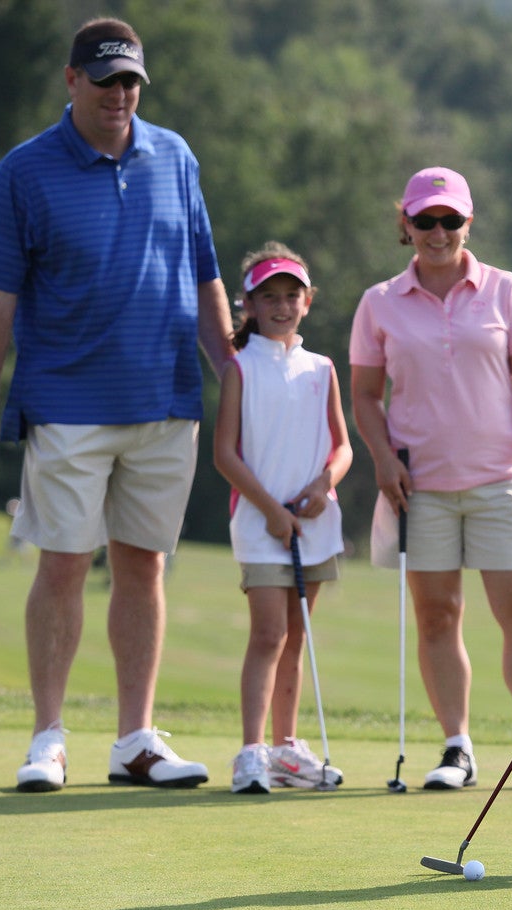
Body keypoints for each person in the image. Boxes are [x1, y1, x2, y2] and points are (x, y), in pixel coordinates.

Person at [0, 17, 235, 793]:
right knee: (65, 564)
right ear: (71, 80)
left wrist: (229, 369)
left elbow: (204, 270)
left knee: (144, 568)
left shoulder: (175, 156)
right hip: (68, 402)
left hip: (165, 398)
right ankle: (48, 738)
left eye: (131, 81)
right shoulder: (25, 171)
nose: (120, 94)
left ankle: (135, 739)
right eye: (105, 80)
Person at [349, 166, 512, 792]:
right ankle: (456, 748)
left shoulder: (507, 291)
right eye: (425, 220)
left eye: (449, 219)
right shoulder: (380, 302)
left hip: (502, 480)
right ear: (405, 224)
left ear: (467, 223)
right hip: (420, 485)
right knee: (437, 616)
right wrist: (380, 457)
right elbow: (367, 397)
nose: (438, 231)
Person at [213, 243, 352, 794]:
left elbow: (342, 447)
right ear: (248, 303)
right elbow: (225, 453)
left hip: (314, 524)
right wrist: (271, 510)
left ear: (308, 301)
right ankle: (251, 752)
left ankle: (286, 748)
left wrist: (323, 485)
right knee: (268, 634)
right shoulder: (239, 368)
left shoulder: (321, 369)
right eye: (268, 296)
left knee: (296, 637)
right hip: (260, 523)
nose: (281, 305)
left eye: (291, 295)